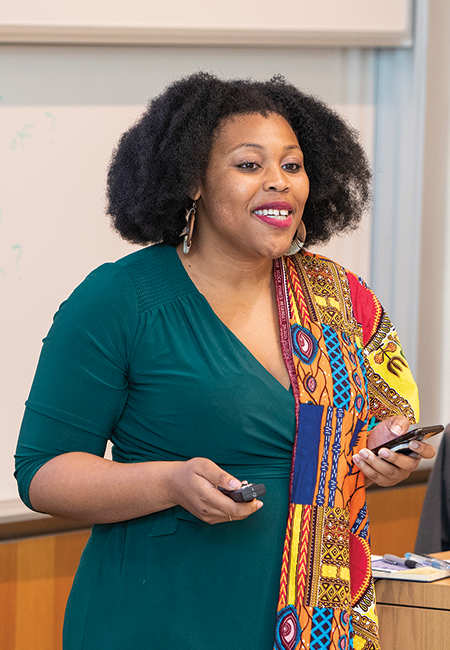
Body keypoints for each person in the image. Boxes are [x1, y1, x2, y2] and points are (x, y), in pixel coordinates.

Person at [15, 73, 435, 650]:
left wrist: (390, 452)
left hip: (321, 617)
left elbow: (383, 420)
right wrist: (170, 481)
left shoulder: (341, 298)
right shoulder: (120, 300)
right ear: (192, 182)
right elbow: (43, 473)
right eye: (248, 166)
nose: (278, 184)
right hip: (159, 618)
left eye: (292, 166)